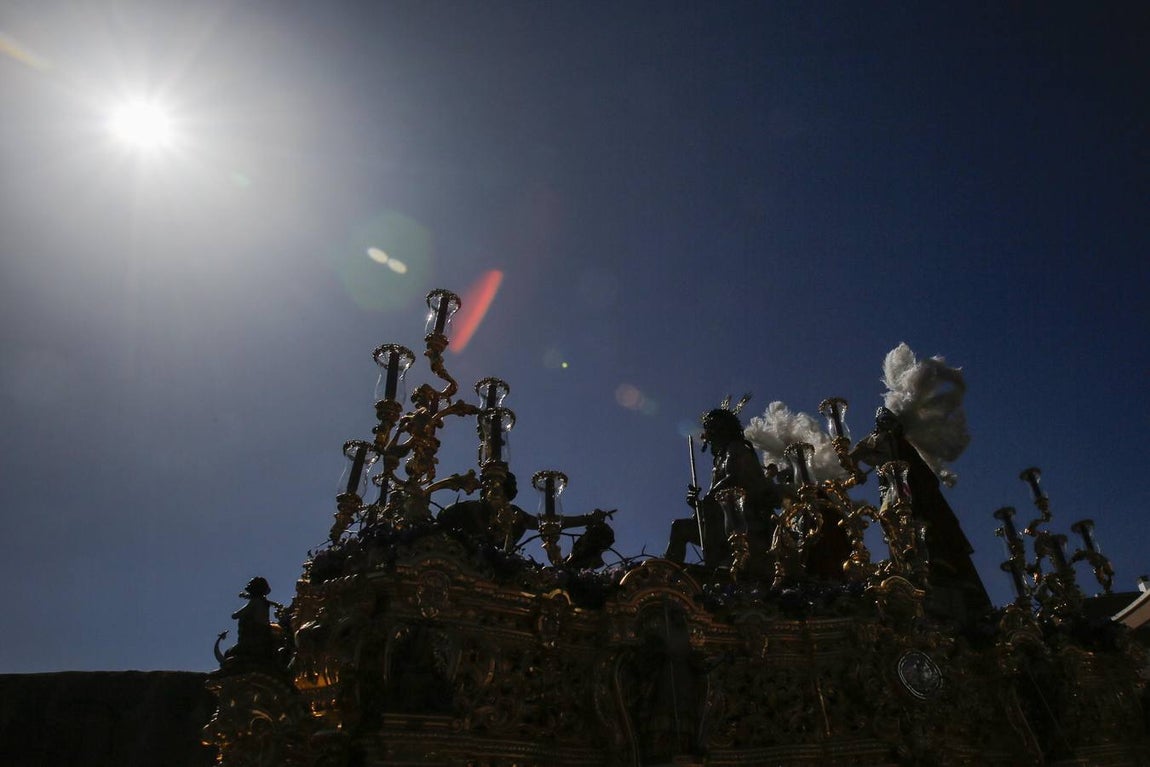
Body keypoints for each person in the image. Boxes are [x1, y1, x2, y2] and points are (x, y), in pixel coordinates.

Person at [850, 407, 991, 617]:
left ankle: (919, 556)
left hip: (908, 491)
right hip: (892, 488)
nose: (891, 427)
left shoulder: (899, 445)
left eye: (893, 423)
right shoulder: (876, 439)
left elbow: (854, 457)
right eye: (886, 422)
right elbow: (853, 456)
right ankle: (906, 557)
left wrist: (857, 470)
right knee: (891, 520)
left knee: (896, 518)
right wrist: (857, 472)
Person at [665, 407, 782, 569]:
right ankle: (669, 572)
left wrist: (707, 499)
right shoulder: (720, 461)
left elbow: (734, 478)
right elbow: (713, 500)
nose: (710, 436)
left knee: (683, 526)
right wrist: (697, 504)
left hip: (746, 519)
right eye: (709, 430)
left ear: (725, 429)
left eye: (714, 429)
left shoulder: (737, 448)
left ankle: (703, 569)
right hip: (724, 520)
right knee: (679, 527)